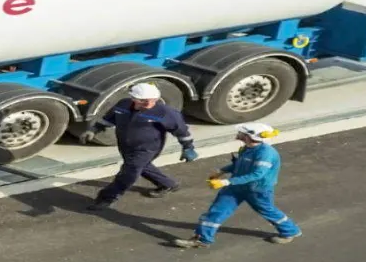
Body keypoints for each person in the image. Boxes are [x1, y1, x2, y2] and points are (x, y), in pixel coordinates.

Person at [171, 122, 301, 248]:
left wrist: (226, 181)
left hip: (257, 190)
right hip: (236, 186)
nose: (238, 134)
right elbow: (239, 164)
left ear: (250, 136)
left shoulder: (265, 154)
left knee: (267, 211)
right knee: (216, 211)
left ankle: (290, 231)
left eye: (242, 133)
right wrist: (221, 171)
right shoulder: (247, 148)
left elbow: (256, 175)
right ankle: (202, 239)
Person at [86, 82, 198, 211]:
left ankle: (107, 197)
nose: (149, 105)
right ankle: (168, 184)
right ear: (134, 99)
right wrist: (93, 130)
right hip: (125, 145)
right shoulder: (123, 105)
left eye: (152, 101)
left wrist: (188, 147)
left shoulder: (165, 112)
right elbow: (108, 119)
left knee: (129, 172)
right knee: (141, 166)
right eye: (144, 102)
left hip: (147, 148)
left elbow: (181, 131)